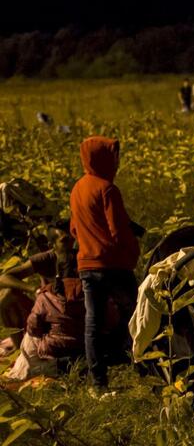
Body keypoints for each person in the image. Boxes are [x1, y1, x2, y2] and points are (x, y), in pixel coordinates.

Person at [70, 136, 140, 395]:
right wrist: (133, 250)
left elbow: (74, 229)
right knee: (138, 315)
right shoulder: (107, 189)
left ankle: (98, 382)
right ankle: (145, 368)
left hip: (87, 266)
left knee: (93, 323)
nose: (117, 162)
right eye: (114, 156)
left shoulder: (78, 188)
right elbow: (118, 232)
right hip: (113, 265)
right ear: (103, 158)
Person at [0, 221, 76, 353]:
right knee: (6, 295)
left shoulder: (79, 256)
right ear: (52, 245)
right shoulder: (45, 258)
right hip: (44, 313)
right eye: (64, 240)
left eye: (71, 238)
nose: (69, 243)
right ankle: (20, 349)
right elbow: (4, 278)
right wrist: (33, 289)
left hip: (70, 314)